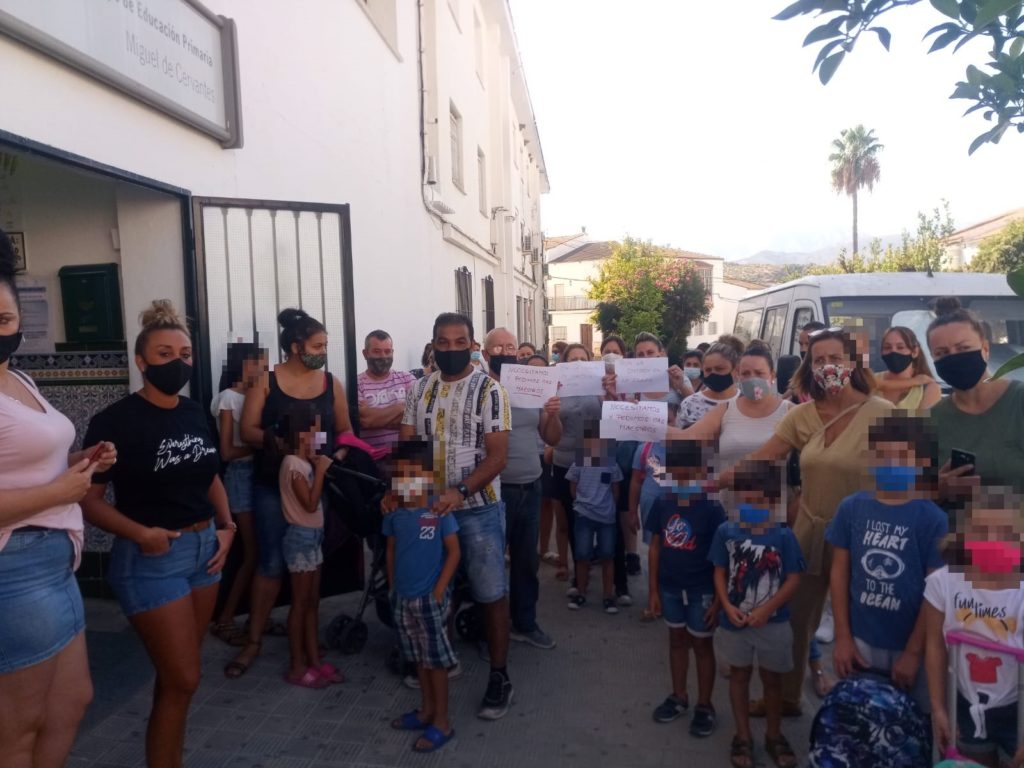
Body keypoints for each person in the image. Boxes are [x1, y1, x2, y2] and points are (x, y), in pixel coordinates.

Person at [82, 300, 235, 768]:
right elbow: (87, 500)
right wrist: (140, 533)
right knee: (183, 677)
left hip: (204, 551)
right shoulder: (114, 421)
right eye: (165, 354)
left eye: (184, 354)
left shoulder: (193, 413)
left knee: (179, 681)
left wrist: (227, 527)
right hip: (152, 559)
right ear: (142, 361)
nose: (178, 363)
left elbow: (208, 473)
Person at [724, 327, 893, 717]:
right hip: (810, 535)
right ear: (809, 367)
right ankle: (785, 698)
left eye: (835, 358)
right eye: (818, 360)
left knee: (866, 627)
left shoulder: (885, 413)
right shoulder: (803, 415)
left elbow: (917, 475)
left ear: (852, 362)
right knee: (795, 622)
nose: (827, 366)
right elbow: (765, 457)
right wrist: (712, 481)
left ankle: (867, 712)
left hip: (868, 538)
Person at [0, 230, 116, 768]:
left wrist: (78, 464)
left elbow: (24, 463)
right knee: (15, 732)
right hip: (14, 567)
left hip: (52, 561)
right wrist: (60, 490)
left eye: (3, 319)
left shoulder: (17, 377)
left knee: (72, 701)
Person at [226, 308, 353, 679]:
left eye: (325, 345)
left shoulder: (332, 383)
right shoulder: (267, 381)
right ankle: (253, 642)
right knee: (269, 563)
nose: (323, 351)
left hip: (317, 485)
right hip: (271, 485)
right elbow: (247, 429)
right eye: (318, 345)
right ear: (296, 347)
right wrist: (285, 445)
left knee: (310, 563)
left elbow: (345, 429)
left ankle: (308, 643)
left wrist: (336, 455)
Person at [400, 312, 513, 720]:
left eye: (459, 341)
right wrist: (405, 498)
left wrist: (459, 491)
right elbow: (409, 449)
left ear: (472, 345)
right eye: (443, 343)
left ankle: (500, 675)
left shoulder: (491, 391)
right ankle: (442, 662)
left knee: (490, 591)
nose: (451, 349)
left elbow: (498, 457)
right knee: (435, 592)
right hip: (429, 508)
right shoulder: (419, 389)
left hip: (477, 509)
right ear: (433, 345)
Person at [826, 414, 948, 711]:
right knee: (858, 723)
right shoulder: (851, 508)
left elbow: (936, 594)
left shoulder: (934, 520)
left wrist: (914, 651)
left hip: (910, 646)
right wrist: (842, 637)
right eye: (882, 456)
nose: (891, 464)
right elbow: (839, 573)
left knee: (911, 728)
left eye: (901, 457)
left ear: (921, 462)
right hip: (860, 641)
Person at [710, 460, 804, 768]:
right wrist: (725, 605)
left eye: (758, 501)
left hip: (773, 623)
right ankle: (743, 735)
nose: (750, 507)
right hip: (734, 622)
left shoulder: (784, 537)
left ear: (774, 501)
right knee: (738, 676)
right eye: (744, 500)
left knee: (772, 681)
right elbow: (720, 572)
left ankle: (773, 735)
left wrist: (766, 610)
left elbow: (793, 579)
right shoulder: (726, 531)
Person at [924, 487, 1024, 768]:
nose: (993, 541)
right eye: (981, 531)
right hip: (965, 702)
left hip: (1018, 706)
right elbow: (934, 646)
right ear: (964, 536)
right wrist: (938, 708)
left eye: (1005, 533)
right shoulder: (943, 583)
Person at [482, 327, 559, 650]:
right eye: (498, 347)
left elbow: (552, 436)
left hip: (531, 486)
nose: (506, 351)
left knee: (527, 563)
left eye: (511, 346)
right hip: (493, 490)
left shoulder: (532, 389)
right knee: (489, 566)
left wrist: (552, 413)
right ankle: (488, 632)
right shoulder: (480, 389)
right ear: (485, 355)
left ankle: (524, 623)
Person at [385, 440, 461, 753]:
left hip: (430, 600)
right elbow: (390, 552)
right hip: (403, 599)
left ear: (430, 476)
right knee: (418, 658)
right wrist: (393, 588)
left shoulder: (438, 509)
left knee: (436, 663)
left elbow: (454, 552)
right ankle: (426, 710)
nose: (407, 482)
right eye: (401, 476)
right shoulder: (394, 512)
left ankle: (441, 721)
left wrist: (440, 590)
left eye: (414, 474)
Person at [646, 441, 725, 737]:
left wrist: (719, 598)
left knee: (702, 645)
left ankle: (705, 705)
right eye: (675, 471)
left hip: (701, 590)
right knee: (676, 640)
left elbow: (721, 557)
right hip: (669, 588)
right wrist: (653, 590)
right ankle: (679, 695)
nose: (681, 478)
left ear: (701, 471)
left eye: (687, 472)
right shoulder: (663, 502)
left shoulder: (711, 507)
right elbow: (655, 547)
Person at [928, 297, 1024, 499]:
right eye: (942, 353)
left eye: (963, 348)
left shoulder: (1018, 401)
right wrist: (937, 490)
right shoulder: (934, 419)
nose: (953, 357)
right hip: (959, 528)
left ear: (985, 349)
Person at [278, 403, 342, 688]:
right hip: (300, 537)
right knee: (300, 604)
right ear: (300, 435)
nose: (319, 439)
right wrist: (321, 469)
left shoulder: (304, 463)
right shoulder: (293, 465)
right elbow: (310, 502)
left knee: (312, 602)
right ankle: (296, 666)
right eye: (314, 433)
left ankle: (314, 659)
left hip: (312, 536)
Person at [209, 342, 266, 646]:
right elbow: (227, 451)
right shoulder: (229, 398)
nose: (264, 369)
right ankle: (225, 618)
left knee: (258, 552)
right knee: (252, 552)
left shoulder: (256, 398)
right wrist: (262, 445)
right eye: (260, 362)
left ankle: (257, 615)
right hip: (240, 477)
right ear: (245, 365)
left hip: (257, 475)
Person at [551, 343, 603, 585]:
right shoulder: (557, 388)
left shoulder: (599, 385)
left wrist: (607, 394)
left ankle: (593, 561)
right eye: (573, 359)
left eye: (583, 358)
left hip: (596, 455)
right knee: (571, 516)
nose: (578, 363)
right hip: (565, 456)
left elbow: (611, 416)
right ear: (564, 363)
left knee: (595, 512)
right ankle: (575, 568)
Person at [566, 431, 623, 613]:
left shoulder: (612, 466)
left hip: (606, 517)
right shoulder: (579, 463)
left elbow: (616, 490)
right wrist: (581, 503)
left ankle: (608, 596)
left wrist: (608, 508)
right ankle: (581, 593)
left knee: (608, 556)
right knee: (582, 555)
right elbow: (572, 485)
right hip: (584, 515)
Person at [357, 330, 416, 455]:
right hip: (371, 458)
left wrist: (377, 419)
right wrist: (402, 408)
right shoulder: (356, 384)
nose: (383, 356)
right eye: (377, 351)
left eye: (387, 351)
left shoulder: (407, 378)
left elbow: (418, 415)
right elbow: (366, 420)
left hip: (406, 455)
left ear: (393, 352)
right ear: (365, 353)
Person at [677, 336, 742, 428]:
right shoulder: (689, 404)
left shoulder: (748, 402)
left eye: (719, 369)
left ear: (736, 370)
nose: (713, 374)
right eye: (708, 370)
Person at [875, 326, 942, 409]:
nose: (893, 351)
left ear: (914, 352)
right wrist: (915, 381)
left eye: (900, 347)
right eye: (887, 347)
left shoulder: (928, 388)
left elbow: (925, 421)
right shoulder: (871, 379)